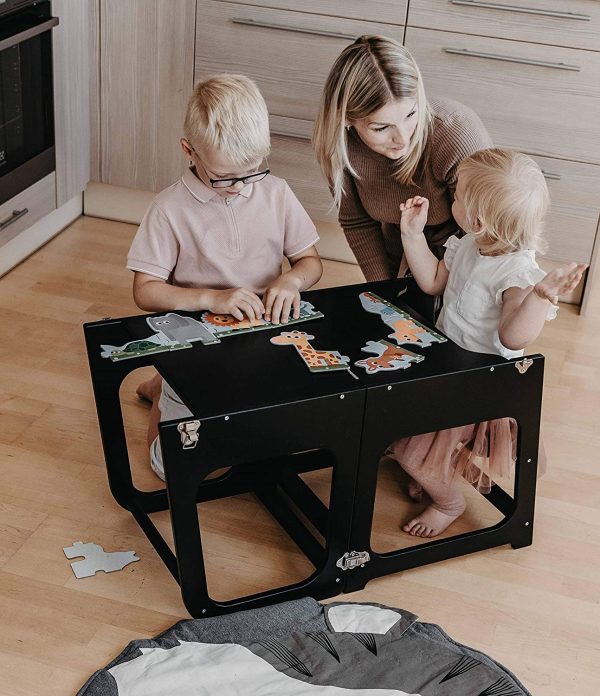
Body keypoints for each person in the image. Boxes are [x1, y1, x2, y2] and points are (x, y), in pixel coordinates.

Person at [127, 74, 323, 479]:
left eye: (252, 171)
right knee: (172, 469)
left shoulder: (276, 193)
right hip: (195, 334)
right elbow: (145, 292)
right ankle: (164, 386)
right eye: (225, 177)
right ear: (189, 152)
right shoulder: (168, 210)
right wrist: (211, 299)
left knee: (283, 439)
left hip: (260, 332)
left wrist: (291, 280)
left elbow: (310, 262)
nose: (240, 187)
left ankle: (162, 382)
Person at [387, 147, 586, 538]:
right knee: (396, 431)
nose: (451, 198)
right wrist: (412, 234)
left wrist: (539, 296)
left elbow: (512, 335)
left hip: (481, 385)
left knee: (411, 456)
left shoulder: (517, 275)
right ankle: (435, 473)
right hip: (448, 366)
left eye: (457, 195)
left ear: (477, 218)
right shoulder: (469, 244)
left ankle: (448, 502)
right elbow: (433, 282)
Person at [313, 35, 492, 319]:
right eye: (382, 127)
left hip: (471, 257)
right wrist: (385, 293)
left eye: (411, 114)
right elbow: (357, 222)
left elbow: (488, 234)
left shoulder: (456, 133)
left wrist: (441, 286)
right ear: (347, 119)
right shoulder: (339, 147)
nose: (402, 139)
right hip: (402, 251)